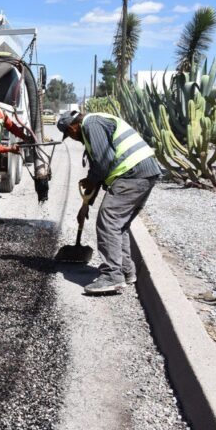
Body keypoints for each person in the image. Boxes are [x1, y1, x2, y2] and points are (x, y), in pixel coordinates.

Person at [57, 110, 162, 295]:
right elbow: (99, 169)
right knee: (118, 225)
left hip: (131, 174)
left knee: (109, 222)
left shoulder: (91, 124)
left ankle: (112, 276)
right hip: (143, 174)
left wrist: (91, 180)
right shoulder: (94, 127)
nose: (72, 138)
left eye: (69, 133)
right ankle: (126, 271)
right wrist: (86, 205)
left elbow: (102, 163)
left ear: (73, 126)